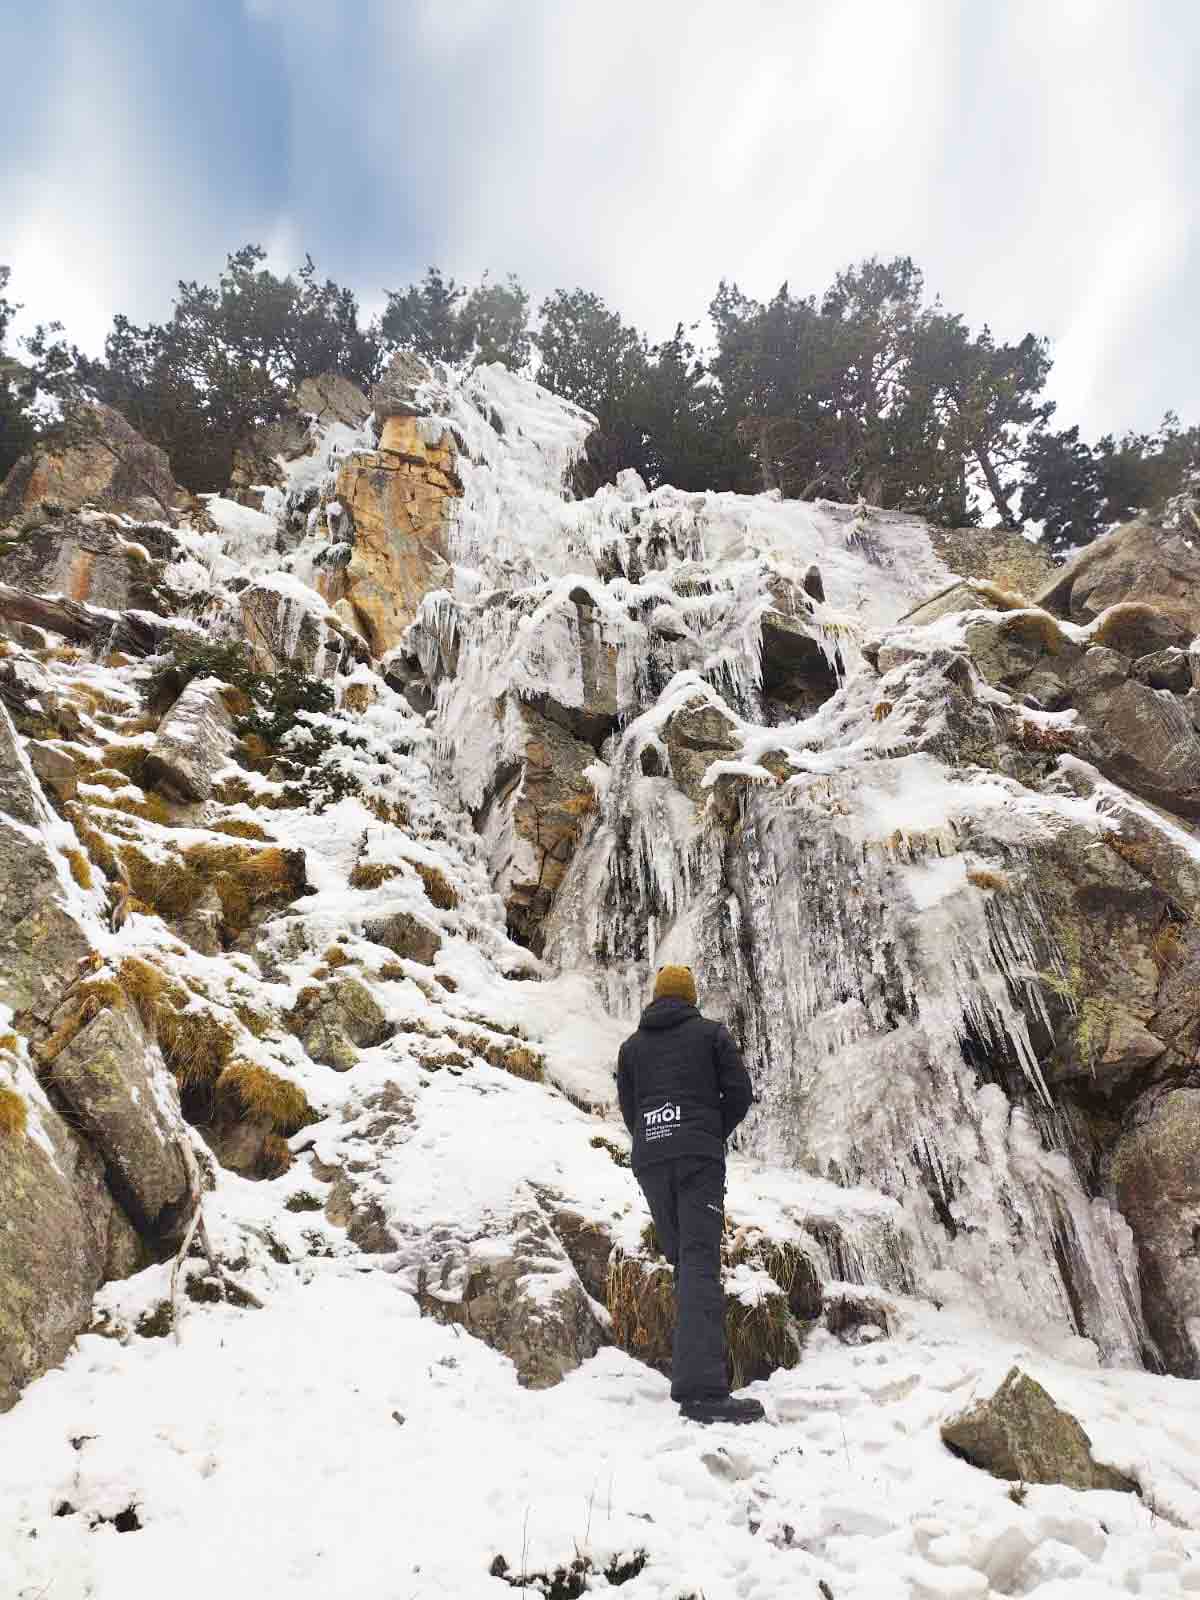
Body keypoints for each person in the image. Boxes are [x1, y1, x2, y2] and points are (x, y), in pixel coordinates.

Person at [616, 964, 765, 1425]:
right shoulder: (711, 1034)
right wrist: (707, 1132)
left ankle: (690, 1377)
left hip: (652, 1161)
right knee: (701, 1262)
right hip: (696, 1159)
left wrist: (656, 1138)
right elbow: (740, 1091)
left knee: (685, 1262)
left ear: (656, 998)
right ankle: (703, 1392)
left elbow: (629, 1108)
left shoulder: (631, 1048)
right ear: (690, 997)